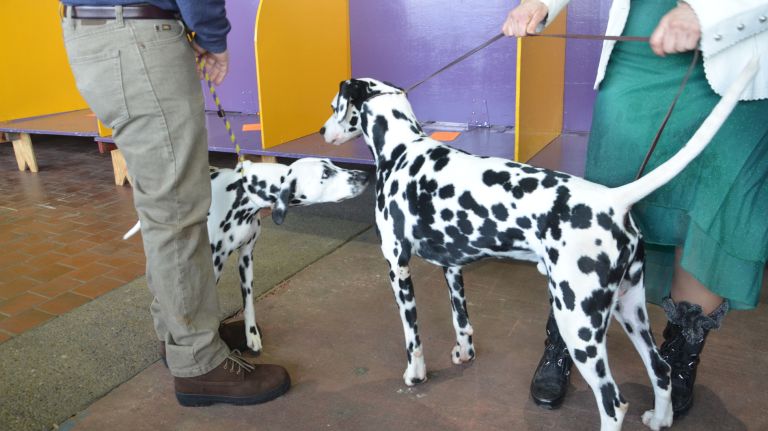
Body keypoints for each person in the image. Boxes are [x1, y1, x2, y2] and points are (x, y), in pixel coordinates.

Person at [503, 0, 768, 417]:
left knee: (712, 216)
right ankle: (565, 339)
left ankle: (677, 360)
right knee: (595, 222)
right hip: (641, 50)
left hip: (738, 59)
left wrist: (706, 13)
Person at [60, 1, 290, 406]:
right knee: (178, 211)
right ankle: (199, 363)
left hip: (100, 32)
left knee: (166, 207)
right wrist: (212, 36)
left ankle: (182, 334)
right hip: (139, 41)